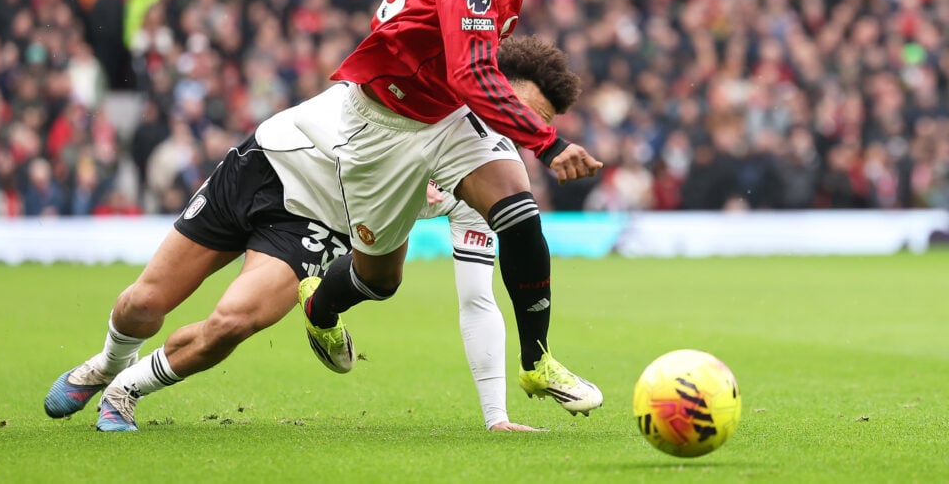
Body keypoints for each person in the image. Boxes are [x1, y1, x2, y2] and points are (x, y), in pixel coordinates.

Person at [44, 37, 597, 431]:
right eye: (516, 111)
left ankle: (124, 391)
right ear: (493, 85)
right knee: (144, 304)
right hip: (266, 163)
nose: (514, 130)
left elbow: (478, 300)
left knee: (233, 322)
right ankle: (106, 363)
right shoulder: (430, 83)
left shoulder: (488, 175)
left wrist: (496, 417)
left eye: (531, 129)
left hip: (312, 226)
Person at [270, 0, 603, 412]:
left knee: (519, 213)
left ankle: (536, 362)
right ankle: (320, 307)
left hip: (445, 111)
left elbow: (468, 76)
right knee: (379, 279)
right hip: (383, 120)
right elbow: (474, 72)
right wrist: (546, 144)